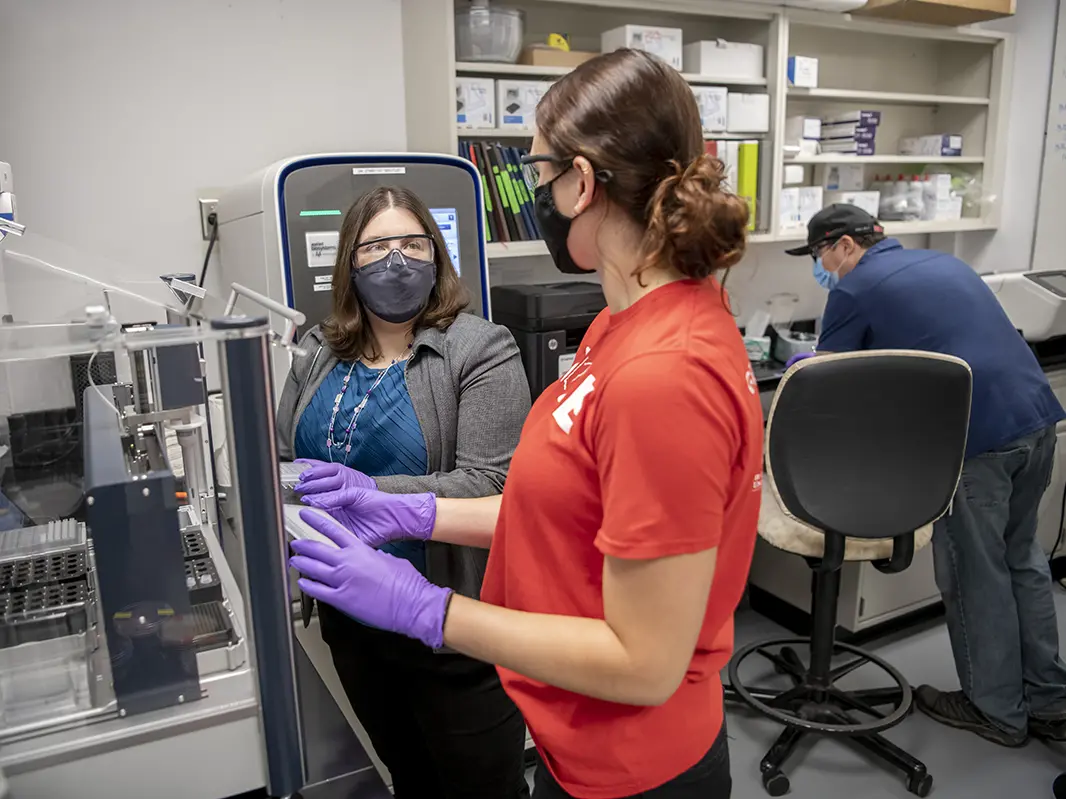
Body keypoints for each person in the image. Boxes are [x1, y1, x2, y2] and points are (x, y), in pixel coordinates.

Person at [288, 48, 763, 799]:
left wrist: (426, 607)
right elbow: (573, 508)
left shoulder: (665, 372)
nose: (535, 190)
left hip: (636, 769)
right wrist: (410, 509)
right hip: (574, 742)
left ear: (581, 182)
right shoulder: (621, 326)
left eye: (539, 173)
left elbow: (643, 661)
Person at [275, 185, 532, 798]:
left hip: (448, 624)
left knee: (480, 788)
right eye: (377, 246)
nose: (397, 259)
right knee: (408, 778)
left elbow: (492, 482)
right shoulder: (318, 351)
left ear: (436, 256)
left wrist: (370, 490)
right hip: (350, 616)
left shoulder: (480, 347)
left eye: (412, 244)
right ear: (350, 263)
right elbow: (285, 456)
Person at [785, 203, 1066, 747]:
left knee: (974, 574)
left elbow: (829, 379)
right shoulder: (944, 264)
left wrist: (802, 364)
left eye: (820, 254)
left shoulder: (854, 288)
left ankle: (996, 711)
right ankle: (1051, 703)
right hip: (1035, 419)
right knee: (1024, 561)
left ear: (844, 245)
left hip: (976, 439)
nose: (821, 268)